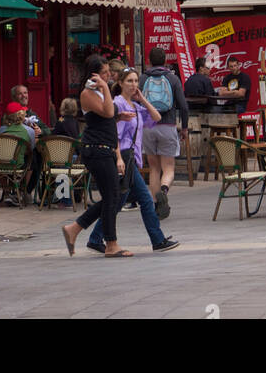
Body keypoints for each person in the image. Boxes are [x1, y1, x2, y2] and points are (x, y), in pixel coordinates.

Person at [86, 69, 179, 254]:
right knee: (144, 198)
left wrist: (142, 99)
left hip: (132, 159)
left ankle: (95, 238)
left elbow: (157, 117)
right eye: (129, 81)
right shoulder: (117, 104)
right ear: (120, 82)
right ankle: (157, 239)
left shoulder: (135, 106)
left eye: (136, 80)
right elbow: (114, 135)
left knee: (118, 201)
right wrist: (119, 158)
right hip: (122, 157)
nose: (134, 84)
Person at [61, 56, 131, 257]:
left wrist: (120, 115)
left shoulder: (99, 93)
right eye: (104, 73)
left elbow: (107, 115)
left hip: (104, 149)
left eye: (109, 72)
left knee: (113, 196)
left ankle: (74, 229)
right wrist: (106, 89)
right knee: (113, 196)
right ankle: (111, 244)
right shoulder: (87, 93)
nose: (108, 75)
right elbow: (108, 112)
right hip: (96, 150)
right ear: (94, 75)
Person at [140, 46, 190, 220]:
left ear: (149, 60)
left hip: (148, 126)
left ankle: (155, 206)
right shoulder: (173, 78)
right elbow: (183, 106)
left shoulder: (142, 78)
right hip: (167, 125)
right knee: (168, 168)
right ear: (165, 61)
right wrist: (184, 127)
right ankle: (164, 190)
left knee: (154, 168)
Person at [0, 105, 36, 207]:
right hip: (18, 165)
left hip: (1, 165)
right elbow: (31, 148)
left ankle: (7, 192)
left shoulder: (1, 130)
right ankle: (21, 192)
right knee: (32, 160)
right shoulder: (29, 131)